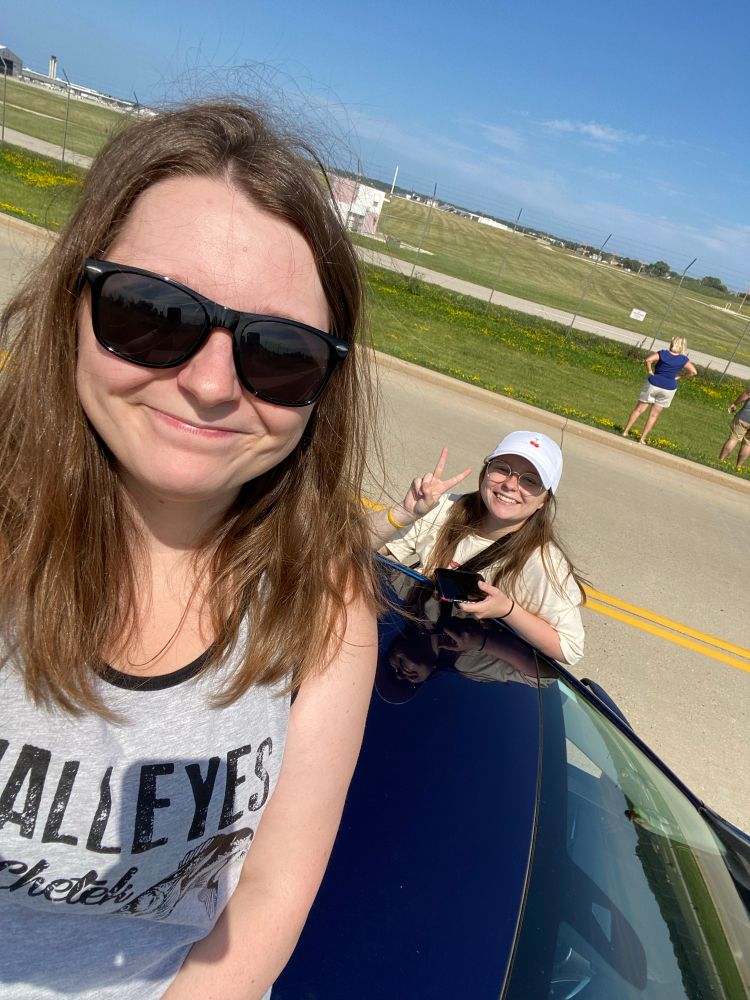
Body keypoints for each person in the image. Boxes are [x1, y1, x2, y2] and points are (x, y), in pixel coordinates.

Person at [0, 102, 380, 1000]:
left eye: (277, 353)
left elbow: (266, 895)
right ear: (74, 302)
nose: (211, 384)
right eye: (151, 312)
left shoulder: (322, 598)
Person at [370, 430, 586, 666]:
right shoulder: (444, 507)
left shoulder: (544, 561)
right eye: (502, 468)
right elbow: (354, 548)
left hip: (465, 671)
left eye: (530, 480)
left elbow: (569, 649)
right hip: (408, 632)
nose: (510, 485)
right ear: (485, 472)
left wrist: (507, 611)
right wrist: (405, 512)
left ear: (544, 499)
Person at [621, 336, 697, 444]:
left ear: (672, 343)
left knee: (639, 409)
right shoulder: (683, 359)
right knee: (654, 415)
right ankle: (642, 438)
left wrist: (650, 371)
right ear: (683, 346)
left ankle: (625, 431)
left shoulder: (663, 353)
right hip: (669, 388)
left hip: (654, 383)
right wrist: (680, 377)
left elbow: (648, 360)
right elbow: (694, 372)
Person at [718, 385, 750, 471]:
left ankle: (720, 461)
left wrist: (734, 403)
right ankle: (738, 467)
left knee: (734, 438)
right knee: (748, 444)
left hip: (745, 417)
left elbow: (747, 394)